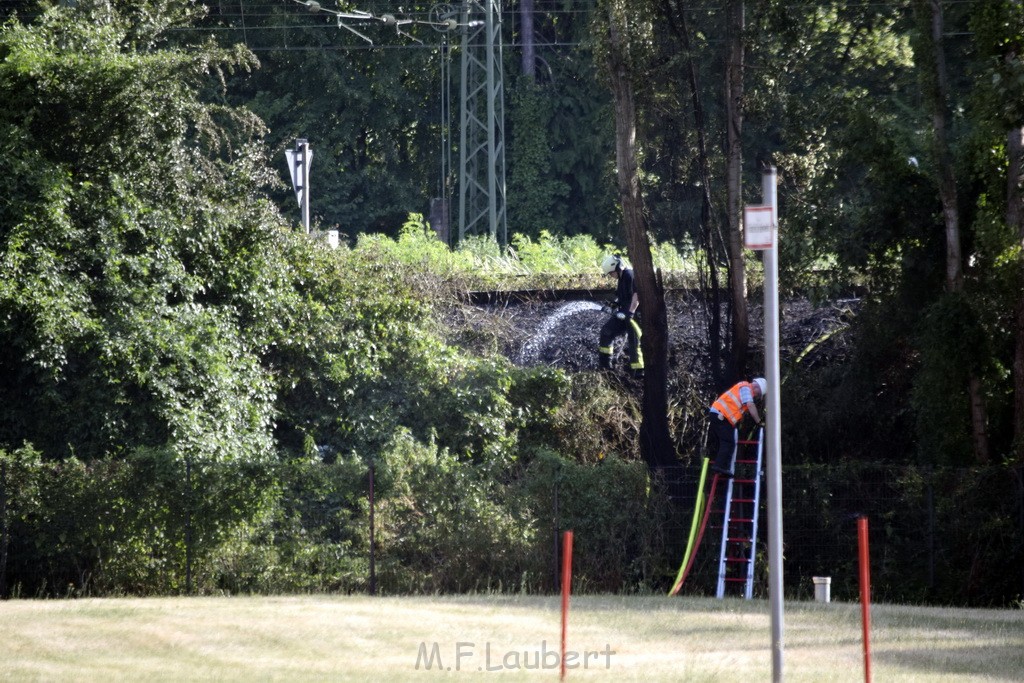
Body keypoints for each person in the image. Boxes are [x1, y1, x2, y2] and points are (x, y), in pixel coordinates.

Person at [708, 377, 767, 477]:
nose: (757, 396)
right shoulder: (745, 388)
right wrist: (759, 421)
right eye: (758, 394)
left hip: (720, 415)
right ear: (757, 388)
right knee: (728, 441)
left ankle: (720, 466)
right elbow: (750, 405)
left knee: (725, 440)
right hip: (721, 415)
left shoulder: (744, 388)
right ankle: (719, 466)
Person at [597, 254, 644, 378]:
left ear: (617, 268)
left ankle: (639, 371)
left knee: (634, 342)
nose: (611, 276)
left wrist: (631, 312)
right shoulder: (621, 279)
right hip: (623, 313)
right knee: (607, 331)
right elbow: (623, 296)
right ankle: (605, 366)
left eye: (611, 273)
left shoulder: (629, 275)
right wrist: (613, 305)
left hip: (633, 315)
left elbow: (636, 295)